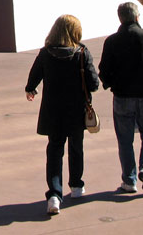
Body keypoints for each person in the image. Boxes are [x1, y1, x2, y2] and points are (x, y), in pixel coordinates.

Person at [25, 14, 98, 215]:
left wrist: (31, 89)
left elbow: (33, 78)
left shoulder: (45, 53)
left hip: (53, 110)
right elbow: (94, 84)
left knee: (55, 150)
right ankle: (76, 186)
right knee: (76, 147)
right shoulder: (82, 53)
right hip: (76, 109)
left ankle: (55, 195)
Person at [98, 2, 143, 194]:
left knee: (124, 139)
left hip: (122, 95)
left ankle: (129, 181)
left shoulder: (112, 41)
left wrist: (110, 83)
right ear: (137, 17)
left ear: (120, 18)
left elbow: (104, 70)